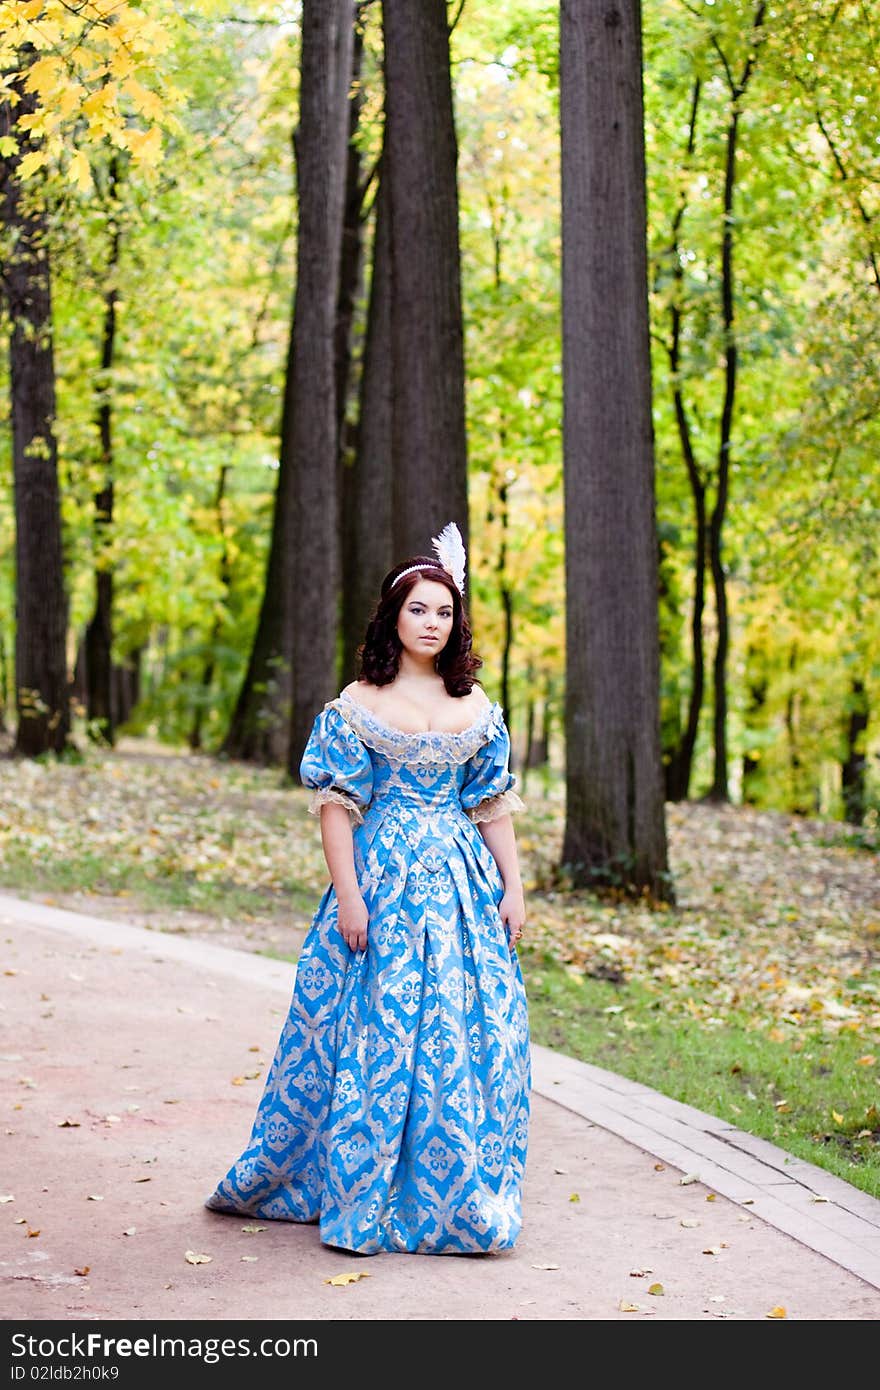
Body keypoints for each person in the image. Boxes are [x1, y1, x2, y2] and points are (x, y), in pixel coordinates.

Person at [205, 523, 531, 1255]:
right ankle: (351, 1183)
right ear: (393, 617)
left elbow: (490, 805)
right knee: (373, 1027)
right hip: (380, 878)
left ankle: (450, 1192)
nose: (432, 623)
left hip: (458, 889)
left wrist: (514, 887)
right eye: (418, 610)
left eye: (444, 612)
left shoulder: (476, 705)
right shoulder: (356, 703)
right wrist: (349, 895)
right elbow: (336, 806)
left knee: (459, 1031)